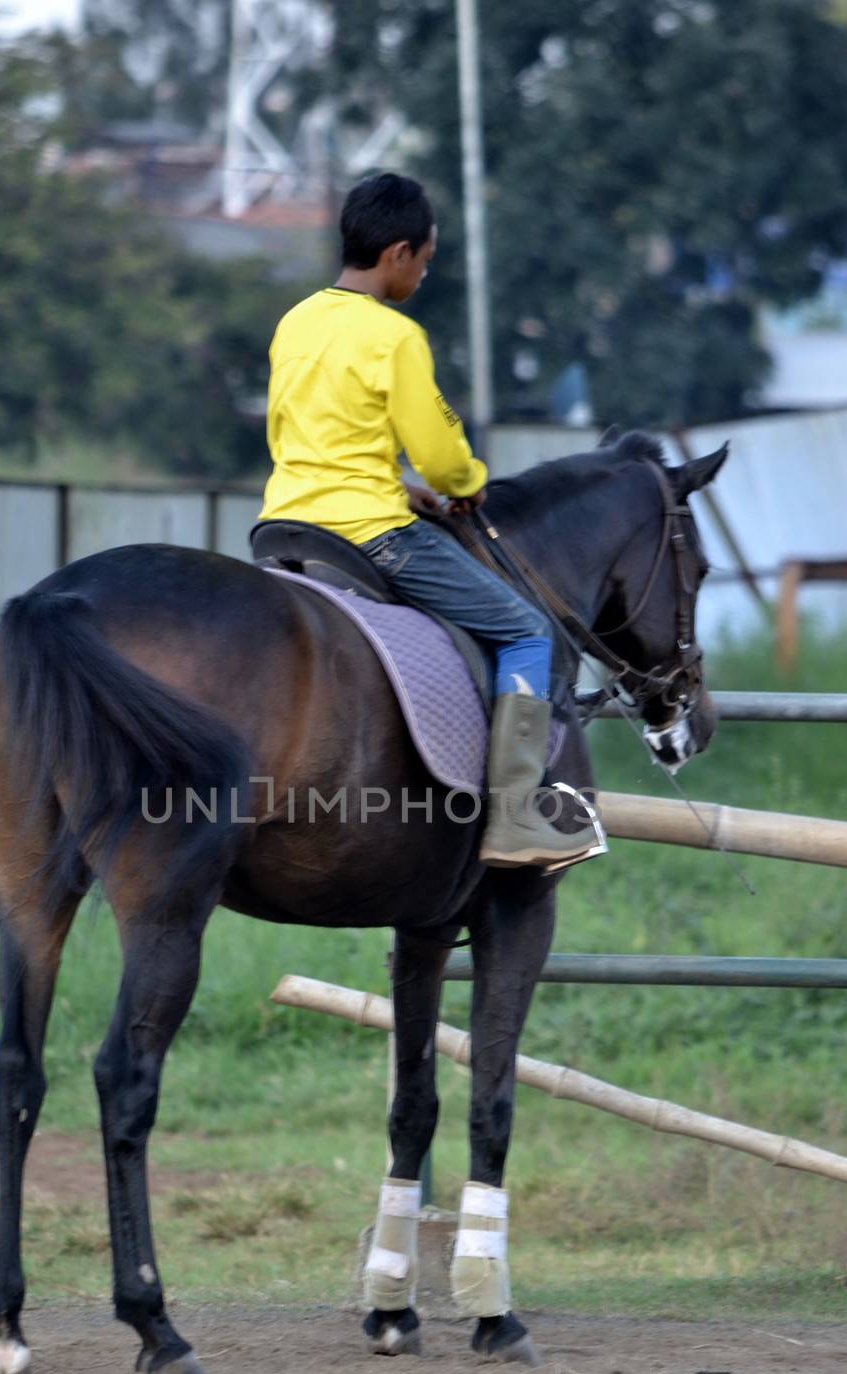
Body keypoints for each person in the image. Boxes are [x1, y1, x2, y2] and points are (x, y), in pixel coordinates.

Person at [258, 171, 602, 869]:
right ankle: (514, 816)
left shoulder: (296, 320)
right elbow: (444, 455)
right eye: (425, 259)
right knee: (526, 629)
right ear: (397, 254)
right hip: (368, 533)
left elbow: (312, 433)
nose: (422, 272)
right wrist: (460, 484)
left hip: (284, 524)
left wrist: (397, 483)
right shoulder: (394, 335)